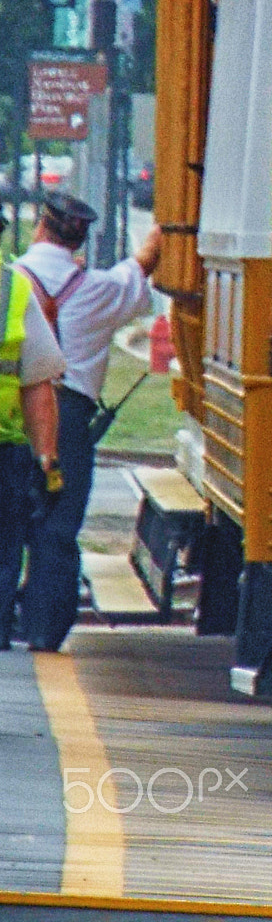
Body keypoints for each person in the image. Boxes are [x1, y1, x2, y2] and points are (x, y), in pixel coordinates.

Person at [18, 192, 161, 653]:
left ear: (40, 226)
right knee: (58, 527)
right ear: (81, 239)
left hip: (11, 418)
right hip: (70, 422)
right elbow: (143, 264)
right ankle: (45, 629)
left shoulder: (10, 282)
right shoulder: (100, 290)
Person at [0, 209, 65, 650]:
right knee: (4, 547)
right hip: (4, 449)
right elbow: (37, 383)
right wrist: (48, 461)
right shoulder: (12, 289)